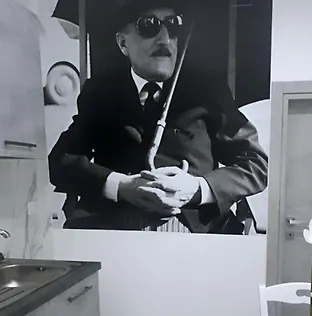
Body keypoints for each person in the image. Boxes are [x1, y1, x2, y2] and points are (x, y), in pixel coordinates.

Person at [48, 0, 268, 234]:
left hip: (194, 234)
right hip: (115, 230)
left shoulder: (207, 93)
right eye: (148, 25)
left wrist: (197, 188)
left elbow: (256, 166)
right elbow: (60, 161)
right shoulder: (100, 92)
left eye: (173, 26)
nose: (165, 39)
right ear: (123, 43)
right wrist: (120, 186)